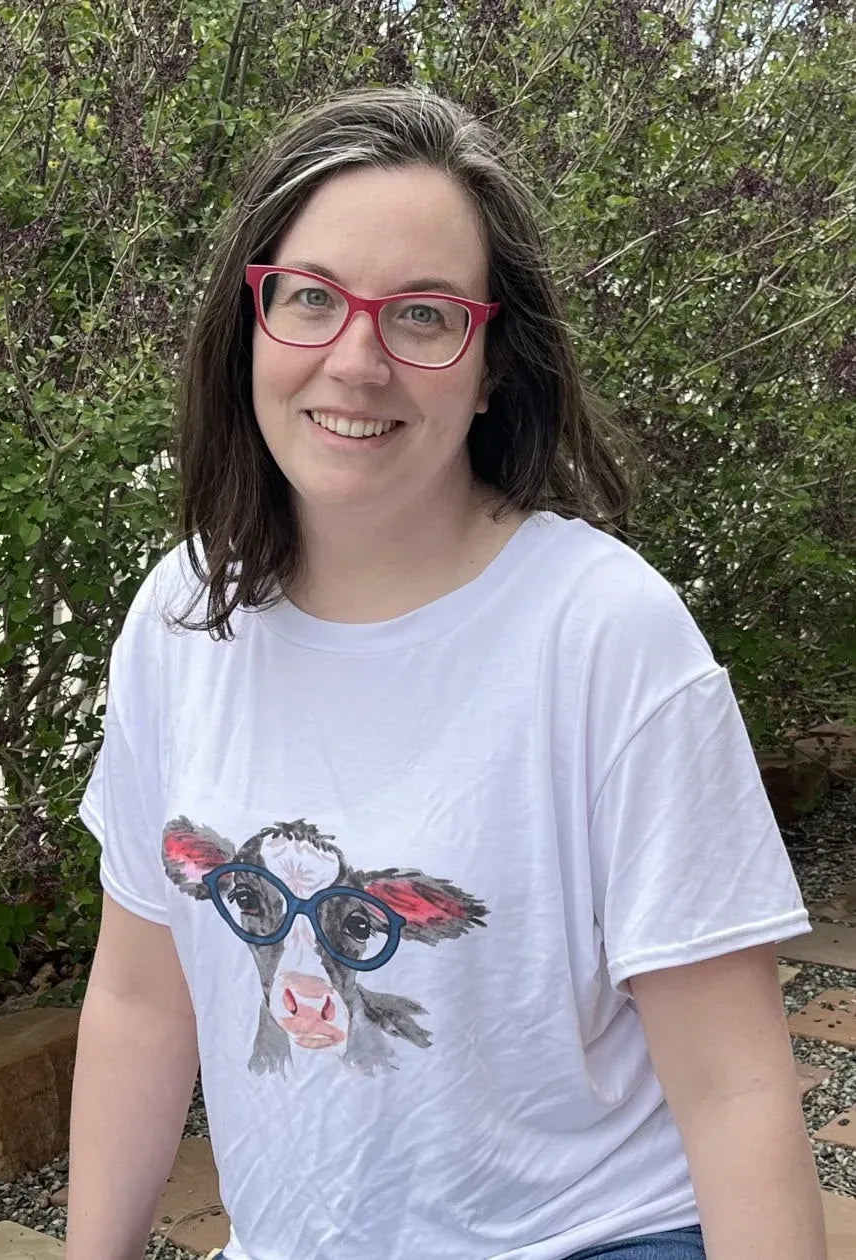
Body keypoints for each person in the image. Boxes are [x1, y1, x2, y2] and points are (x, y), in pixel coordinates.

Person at [66, 86, 827, 1260]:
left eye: (422, 316)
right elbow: (138, 1000)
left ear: (491, 366)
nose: (356, 360)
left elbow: (735, 1094)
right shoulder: (180, 617)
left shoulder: (605, 635)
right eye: (311, 297)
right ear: (250, 323)